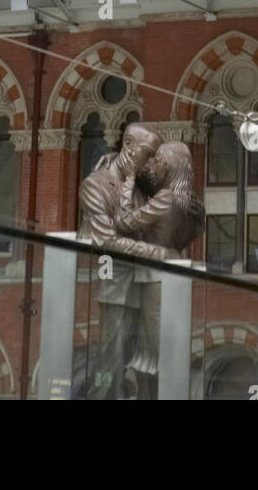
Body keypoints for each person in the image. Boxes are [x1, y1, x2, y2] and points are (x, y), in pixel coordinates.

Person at [77, 123, 176, 399]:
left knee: (148, 362)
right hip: (115, 286)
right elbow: (106, 241)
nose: (153, 161)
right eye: (149, 153)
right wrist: (157, 254)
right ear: (129, 146)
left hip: (147, 286)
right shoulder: (95, 185)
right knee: (111, 363)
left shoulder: (143, 184)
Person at [115, 141, 205, 399]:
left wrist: (129, 183)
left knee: (152, 349)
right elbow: (192, 233)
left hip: (154, 275)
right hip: (175, 268)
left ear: (171, 166)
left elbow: (124, 221)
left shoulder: (164, 198)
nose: (154, 166)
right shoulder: (188, 201)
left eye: (159, 162)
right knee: (163, 343)